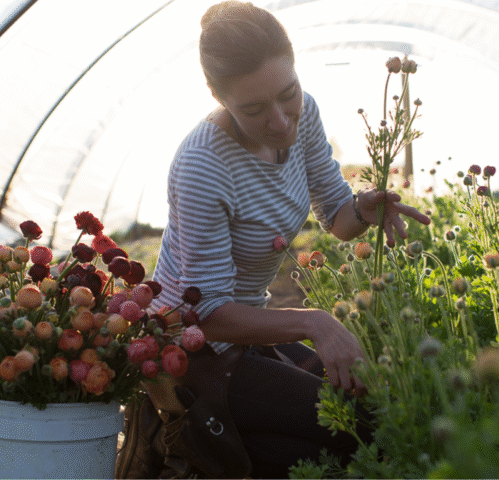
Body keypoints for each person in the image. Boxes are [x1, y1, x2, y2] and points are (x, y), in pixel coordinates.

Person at [117, 2, 431, 478]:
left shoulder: (304, 118)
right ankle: (174, 441)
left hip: (249, 335)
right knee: (349, 430)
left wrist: (363, 209)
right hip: (191, 348)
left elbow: (337, 216)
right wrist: (317, 323)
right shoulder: (203, 164)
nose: (282, 121)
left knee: (380, 405)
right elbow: (205, 313)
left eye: (289, 94)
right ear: (218, 97)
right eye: (254, 109)